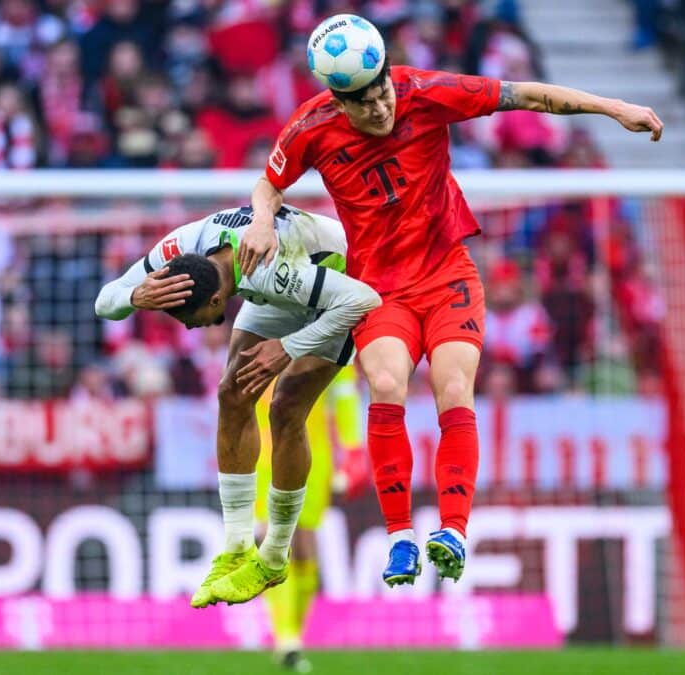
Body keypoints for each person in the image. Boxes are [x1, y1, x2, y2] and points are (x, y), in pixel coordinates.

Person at [237, 14, 662, 586]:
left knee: (453, 387)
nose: (380, 107)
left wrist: (614, 107)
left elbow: (528, 96)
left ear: (388, 71)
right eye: (362, 102)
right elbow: (270, 180)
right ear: (339, 100)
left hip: (447, 275)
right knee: (387, 385)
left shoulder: (426, 92)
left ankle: (454, 533)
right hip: (379, 287)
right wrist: (262, 219)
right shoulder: (311, 126)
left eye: (382, 88)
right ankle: (399, 541)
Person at [95, 205, 380, 606]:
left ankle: (274, 556)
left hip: (338, 288)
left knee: (286, 408)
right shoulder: (184, 244)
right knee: (232, 393)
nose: (191, 329)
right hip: (271, 286)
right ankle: (237, 547)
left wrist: (288, 347)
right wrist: (133, 295)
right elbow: (104, 303)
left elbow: (365, 300)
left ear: (215, 299)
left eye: (192, 319)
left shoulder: (276, 272)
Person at [254, 365, 365, 673]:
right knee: (277, 539)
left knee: (304, 547)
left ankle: (291, 634)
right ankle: (286, 637)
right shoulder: (262, 332)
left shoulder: (334, 338)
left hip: (315, 458)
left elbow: (344, 396)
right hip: (267, 455)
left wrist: (353, 449)